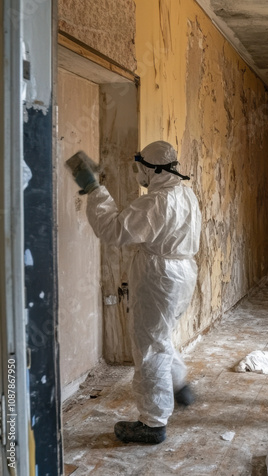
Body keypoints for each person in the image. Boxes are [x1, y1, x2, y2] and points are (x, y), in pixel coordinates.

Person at [71, 140, 201, 444]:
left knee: (150, 344)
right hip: (183, 273)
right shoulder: (185, 193)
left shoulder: (157, 202)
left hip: (160, 276)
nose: (138, 174)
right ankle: (179, 385)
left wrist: (94, 189)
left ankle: (153, 422)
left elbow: (114, 230)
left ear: (153, 169)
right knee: (161, 334)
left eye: (141, 168)